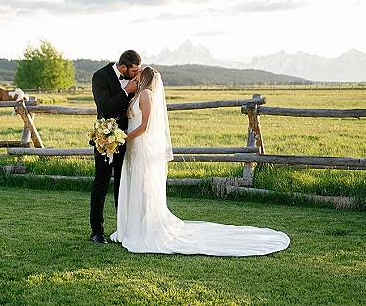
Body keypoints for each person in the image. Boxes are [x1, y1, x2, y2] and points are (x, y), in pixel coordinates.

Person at [110, 67, 290, 256]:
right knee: (135, 186)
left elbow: (145, 125)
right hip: (133, 149)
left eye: (138, 73)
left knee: (142, 187)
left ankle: (144, 229)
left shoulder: (146, 94)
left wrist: (125, 138)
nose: (135, 74)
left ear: (144, 77)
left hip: (139, 147)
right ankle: (132, 228)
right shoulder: (139, 94)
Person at [90, 50, 142, 244]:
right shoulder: (100, 77)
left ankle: (123, 231)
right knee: (101, 185)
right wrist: (126, 91)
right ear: (122, 68)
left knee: (122, 185)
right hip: (105, 138)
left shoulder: (135, 77)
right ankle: (97, 232)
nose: (136, 74)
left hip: (127, 139)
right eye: (133, 70)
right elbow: (104, 107)